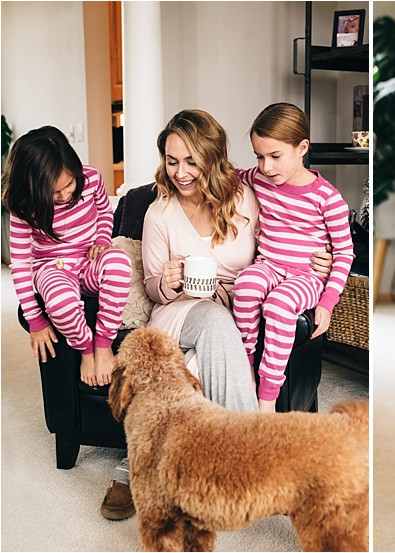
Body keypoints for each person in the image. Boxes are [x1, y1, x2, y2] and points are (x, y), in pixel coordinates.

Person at [117, 108, 334, 521]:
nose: (181, 172)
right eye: (171, 160)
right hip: (179, 312)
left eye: (192, 161)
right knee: (213, 324)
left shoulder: (246, 198)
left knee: (201, 362)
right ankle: (253, 459)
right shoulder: (157, 213)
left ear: (212, 159)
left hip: (238, 309)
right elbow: (150, 291)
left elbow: (291, 235)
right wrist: (170, 280)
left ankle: (158, 467)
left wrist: (317, 261)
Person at [232, 102, 354, 413]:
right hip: (269, 266)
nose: (266, 167)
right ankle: (244, 367)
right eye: (259, 156)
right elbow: (229, 174)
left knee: (279, 304)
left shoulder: (328, 199)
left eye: (275, 156)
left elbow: (344, 252)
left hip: (306, 277)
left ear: (301, 148)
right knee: (245, 284)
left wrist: (327, 302)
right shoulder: (259, 179)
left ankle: (267, 398)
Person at [3, 126, 132, 388]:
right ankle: (86, 350)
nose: (64, 196)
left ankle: (103, 346)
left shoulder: (92, 179)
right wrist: (35, 320)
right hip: (51, 268)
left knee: (120, 262)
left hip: (89, 261)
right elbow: (19, 264)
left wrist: (101, 240)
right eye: (53, 193)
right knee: (60, 302)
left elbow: (107, 213)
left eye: (70, 184)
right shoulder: (24, 205)